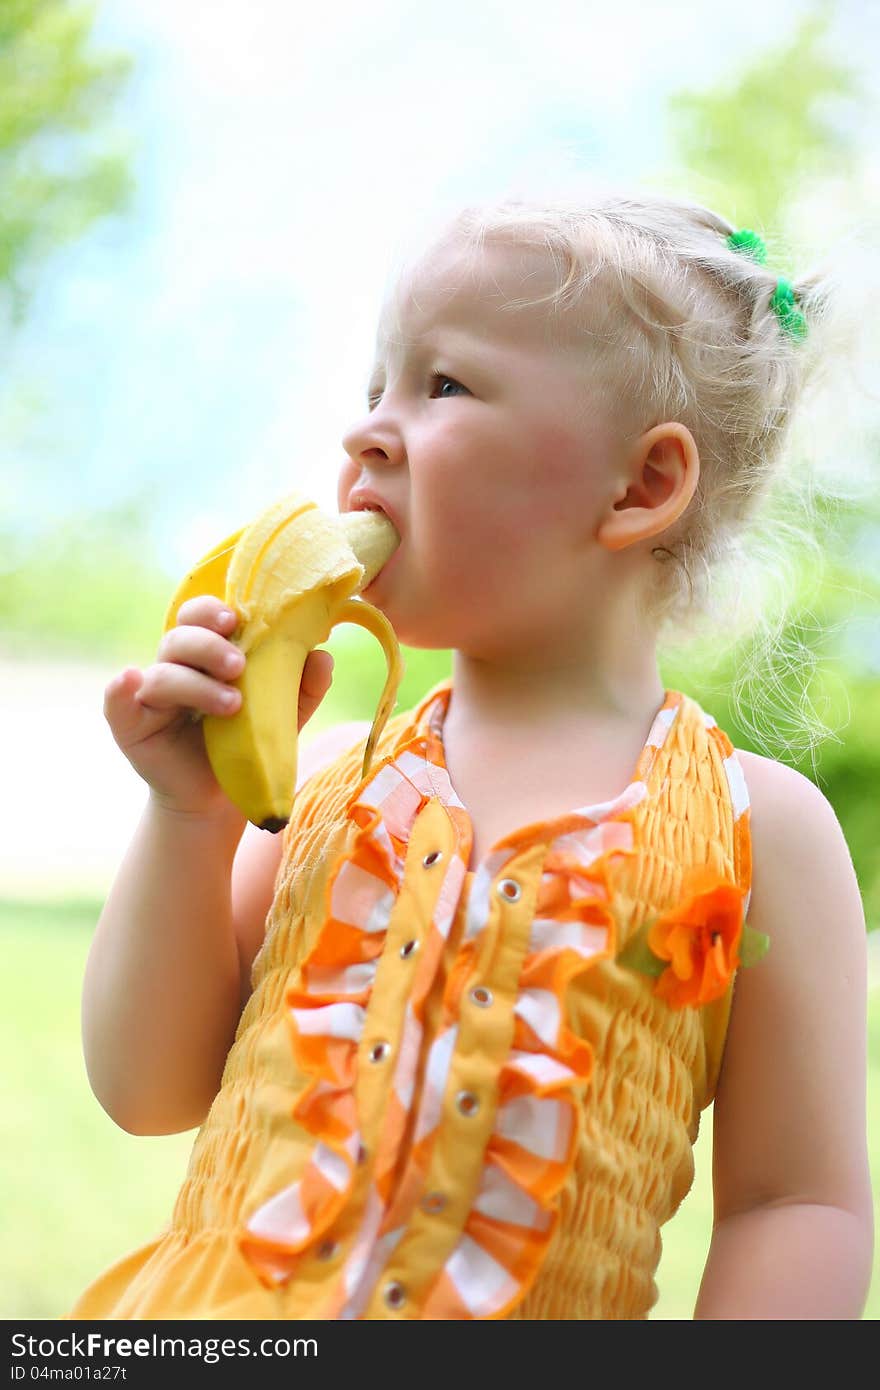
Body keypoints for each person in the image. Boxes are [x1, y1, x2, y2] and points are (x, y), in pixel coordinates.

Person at [67, 187, 873, 1320]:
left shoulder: (758, 829)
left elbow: (795, 1201)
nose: (364, 432)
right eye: (372, 388)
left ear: (642, 485)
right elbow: (147, 1089)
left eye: (442, 385)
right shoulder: (325, 784)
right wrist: (187, 817)